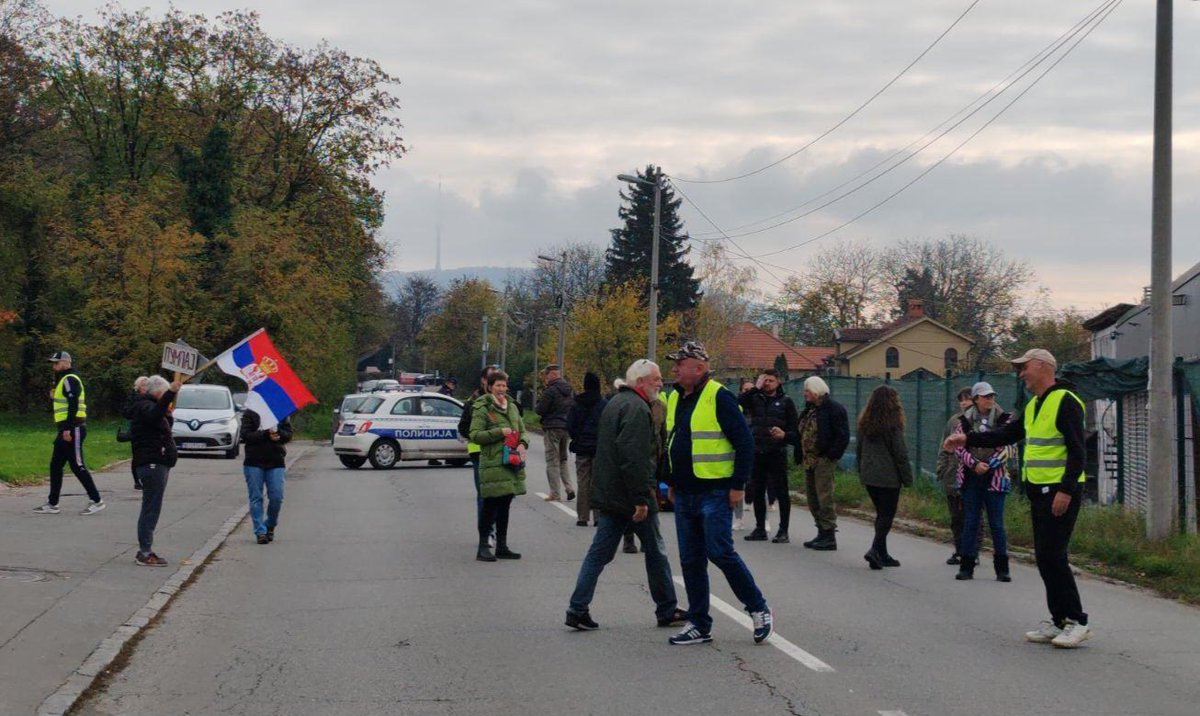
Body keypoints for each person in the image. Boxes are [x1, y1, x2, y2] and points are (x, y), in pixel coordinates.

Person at [944, 348, 1091, 648]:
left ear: (1042, 366)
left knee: (1055, 555)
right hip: (1039, 490)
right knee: (1044, 556)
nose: (1020, 373)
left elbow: (1078, 450)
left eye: (1024, 368)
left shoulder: (1066, 400)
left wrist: (1065, 490)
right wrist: (967, 438)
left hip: (1059, 490)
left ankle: (1077, 621)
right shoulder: (1037, 404)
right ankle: (1059, 620)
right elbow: (1006, 434)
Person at [564, 360, 686, 631]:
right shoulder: (636, 408)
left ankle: (577, 608)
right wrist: (641, 499)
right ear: (640, 381)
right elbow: (634, 458)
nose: (659, 383)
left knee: (599, 553)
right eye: (656, 378)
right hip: (630, 497)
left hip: (612, 493)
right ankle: (666, 608)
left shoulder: (616, 403)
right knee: (656, 551)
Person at [663, 341, 772, 646]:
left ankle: (758, 608)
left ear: (698, 367)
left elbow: (745, 444)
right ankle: (699, 623)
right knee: (691, 560)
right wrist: (669, 480)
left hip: (714, 491)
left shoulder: (718, 397)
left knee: (721, 553)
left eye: (679, 363)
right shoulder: (676, 397)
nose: (674, 368)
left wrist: (738, 485)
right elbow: (673, 442)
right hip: (684, 492)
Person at [951, 381, 1013, 582]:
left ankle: (1002, 568)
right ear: (976, 399)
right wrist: (974, 463)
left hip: (996, 477)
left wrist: (992, 463)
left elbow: (1010, 445)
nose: (990, 399)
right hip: (971, 477)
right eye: (986, 396)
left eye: (992, 396)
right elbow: (958, 446)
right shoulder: (963, 421)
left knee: (997, 523)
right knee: (971, 522)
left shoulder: (1005, 419)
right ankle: (967, 566)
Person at [33, 351, 105, 516]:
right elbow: (64, 402)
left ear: (66, 363)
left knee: (77, 465)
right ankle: (52, 503)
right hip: (67, 428)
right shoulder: (63, 380)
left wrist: (67, 428)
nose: (54, 366)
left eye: (57, 363)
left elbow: (73, 404)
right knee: (56, 465)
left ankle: (97, 500)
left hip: (74, 428)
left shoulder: (69, 379)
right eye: (54, 363)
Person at [470, 370, 527, 562]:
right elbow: (475, 435)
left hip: (510, 462)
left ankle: (502, 546)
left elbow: (522, 430)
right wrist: (499, 432)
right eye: (498, 385)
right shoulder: (482, 407)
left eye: (504, 385)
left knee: (505, 505)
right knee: (490, 505)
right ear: (490, 386)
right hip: (493, 463)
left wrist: (523, 443)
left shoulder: (511, 406)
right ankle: (483, 546)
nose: (502, 389)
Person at [125, 375, 181, 566]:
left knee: (152, 507)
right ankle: (145, 550)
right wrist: (171, 393)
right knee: (151, 507)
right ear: (158, 392)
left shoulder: (152, 406)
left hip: (159, 461)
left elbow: (162, 422)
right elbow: (154, 415)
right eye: (164, 393)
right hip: (151, 462)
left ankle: (146, 548)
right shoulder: (145, 406)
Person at [856, 385, 914, 569]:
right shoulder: (892, 426)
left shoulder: (864, 424)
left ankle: (882, 553)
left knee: (881, 514)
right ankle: (874, 550)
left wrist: (862, 470)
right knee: (887, 515)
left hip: (869, 475)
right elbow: (900, 454)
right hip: (888, 477)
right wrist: (907, 478)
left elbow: (859, 450)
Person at [741, 369, 799, 543]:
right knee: (757, 491)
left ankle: (783, 530)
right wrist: (755, 388)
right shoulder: (755, 399)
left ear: (778, 382)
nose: (767, 384)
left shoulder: (786, 402)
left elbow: (795, 431)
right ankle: (760, 528)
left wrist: (784, 435)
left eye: (771, 380)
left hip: (776, 452)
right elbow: (739, 402)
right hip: (758, 451)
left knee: (781, 492)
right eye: (765, 380)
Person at [795, 376, 849, 550]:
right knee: (812, 497)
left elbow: (842, 436)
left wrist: (831, 455)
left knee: (824, 495)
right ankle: (820, 530)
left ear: (817, 390)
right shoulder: (810, 409)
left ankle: (829, 533)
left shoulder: (833, 409)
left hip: (823, 459)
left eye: (807, 390)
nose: (805, 394)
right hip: (808, 459)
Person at [241, 409, 294, 545]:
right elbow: (246, 435)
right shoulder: (250, 413)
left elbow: (288, 434)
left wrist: (279, 435)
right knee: (256, 497)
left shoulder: (281, 412)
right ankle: (260, 531)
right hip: (254, 461)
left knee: (277, 497)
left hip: (276, 460)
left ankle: (270, 523)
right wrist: (266, 433)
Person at [937, 388, 976, 566]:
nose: (964, 402)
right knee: (955, 517)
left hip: (972, 473)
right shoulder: (953, 421)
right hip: (952, 473)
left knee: (972, 515)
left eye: (967, 399)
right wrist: (942, 468)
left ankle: (972, 551)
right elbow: (944, 446)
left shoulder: (980, 421)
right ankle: (959, 549)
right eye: (961, 399)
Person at [459, 366, 496, 545]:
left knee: (499, 494)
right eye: (490, 378)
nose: (493, 382)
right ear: (483, 380)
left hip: (498, 453)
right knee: (483, 494)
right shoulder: (473, 401)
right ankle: (486, 533)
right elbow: (463, 426)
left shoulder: (503, 400)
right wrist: (478, 435)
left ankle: (495, 530)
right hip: (479, 452)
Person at [567, 371, 607, 527]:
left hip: (582, 447)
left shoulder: (577, 403)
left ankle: (582, 517)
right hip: (599, 447)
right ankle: (598, 516)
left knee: (583, 482)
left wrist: (578, 438)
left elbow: (570, 425)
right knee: (598, 482)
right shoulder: (603, 404)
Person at [535, 363, 575, 502]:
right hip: (566, 427)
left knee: (552, 460)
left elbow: (540, 410)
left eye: (546, 375)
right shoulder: (569, 390)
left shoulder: (550, 391)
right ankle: (569, 488)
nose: (545, 378)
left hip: (552, 427)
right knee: (563, 459)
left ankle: (555, 493)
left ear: (551, 375)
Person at [118, 376, 150, 490]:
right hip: (136, 430)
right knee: (137, 456)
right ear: (138, 387)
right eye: (143, 385)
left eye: (147, 385)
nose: (146, 388)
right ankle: (137, 481)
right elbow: (126, 412)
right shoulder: (132, 398)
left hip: (149, 430)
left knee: (149, 455)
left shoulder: (152, 398)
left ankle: (147, 478)